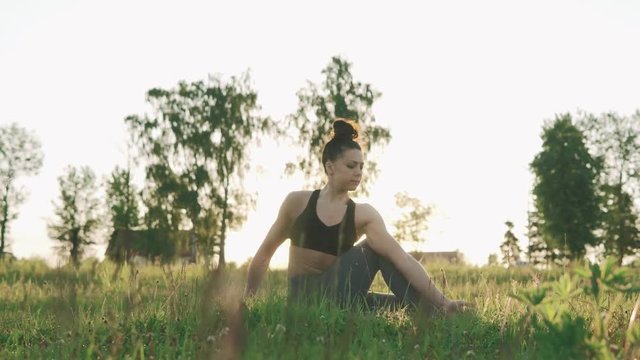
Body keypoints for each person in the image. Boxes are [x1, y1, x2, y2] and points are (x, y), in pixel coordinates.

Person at [244, 119, 466, 314]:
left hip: (342, 298)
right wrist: (248, 302)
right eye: (351, 166)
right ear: (329, 168)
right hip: (303, 302)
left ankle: (440, 311)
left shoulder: (363, 214)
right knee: (373, 247)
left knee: (402, 302)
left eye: (361, 166)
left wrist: (443, 301)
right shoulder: (297, 203)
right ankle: (437, 312)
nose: (358, 172)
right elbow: (264, 254)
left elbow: (402, 259)